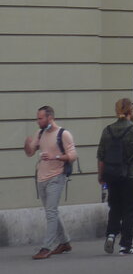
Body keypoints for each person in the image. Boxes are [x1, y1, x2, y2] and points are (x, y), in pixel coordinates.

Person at [97, 97, 133, 255]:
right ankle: (126, 245)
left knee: (115, 207)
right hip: (129, 177)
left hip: (111, 177)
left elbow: (100, 156)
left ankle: (111, 235)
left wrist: (101, 176)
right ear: (130, 111)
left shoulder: (107, 130)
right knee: (131, 210)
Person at [23, 105, 77, 260]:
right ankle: (65, 242)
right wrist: (27, 145)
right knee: (51, 211)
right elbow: (30, 152)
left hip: (57, 176)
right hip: (41, 177)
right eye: (37, 118)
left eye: (40, 118)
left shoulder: (63, 134)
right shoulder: (40, 133)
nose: (37, 121)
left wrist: (56, 157)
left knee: (51, 212)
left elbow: (73, 155)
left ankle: (46, 247)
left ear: (50, 118)